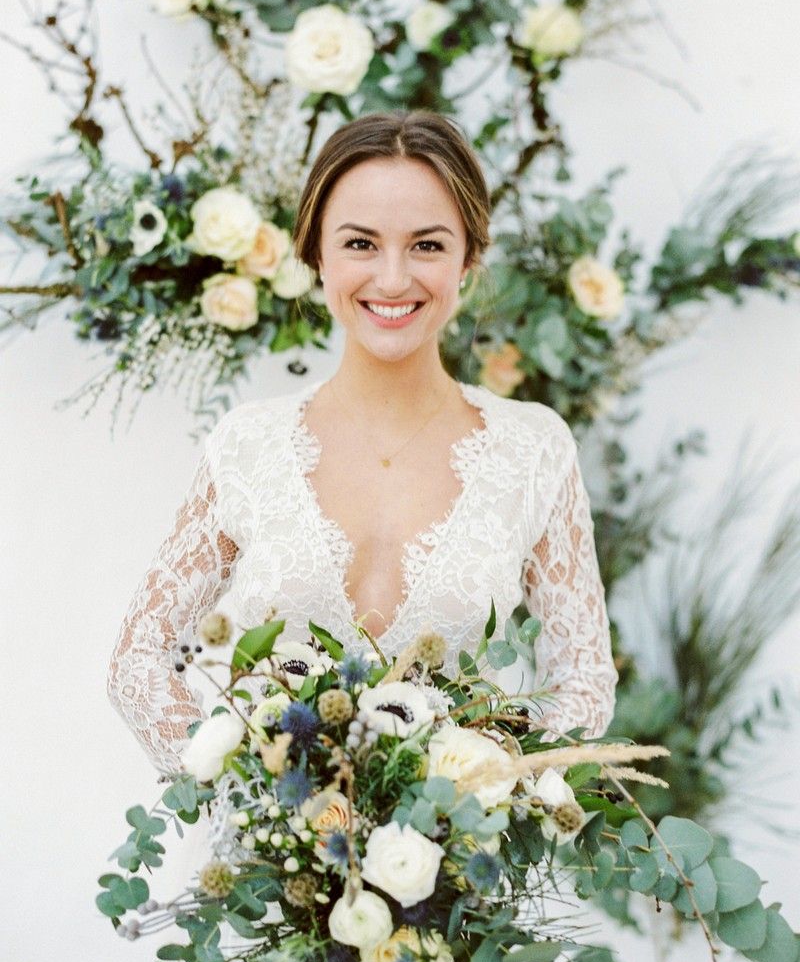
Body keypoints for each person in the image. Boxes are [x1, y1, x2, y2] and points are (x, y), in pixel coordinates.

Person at [107, 110, 617, 780]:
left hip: (458, 873)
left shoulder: (534, 449)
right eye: (360, 243)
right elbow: (140, 655)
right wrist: (248, 795)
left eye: (428, 245)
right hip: (263, 877)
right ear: (316, 253)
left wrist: (489, 804)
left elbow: (583, 675)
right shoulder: (248, 445)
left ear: (469, 258)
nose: (393, 278)